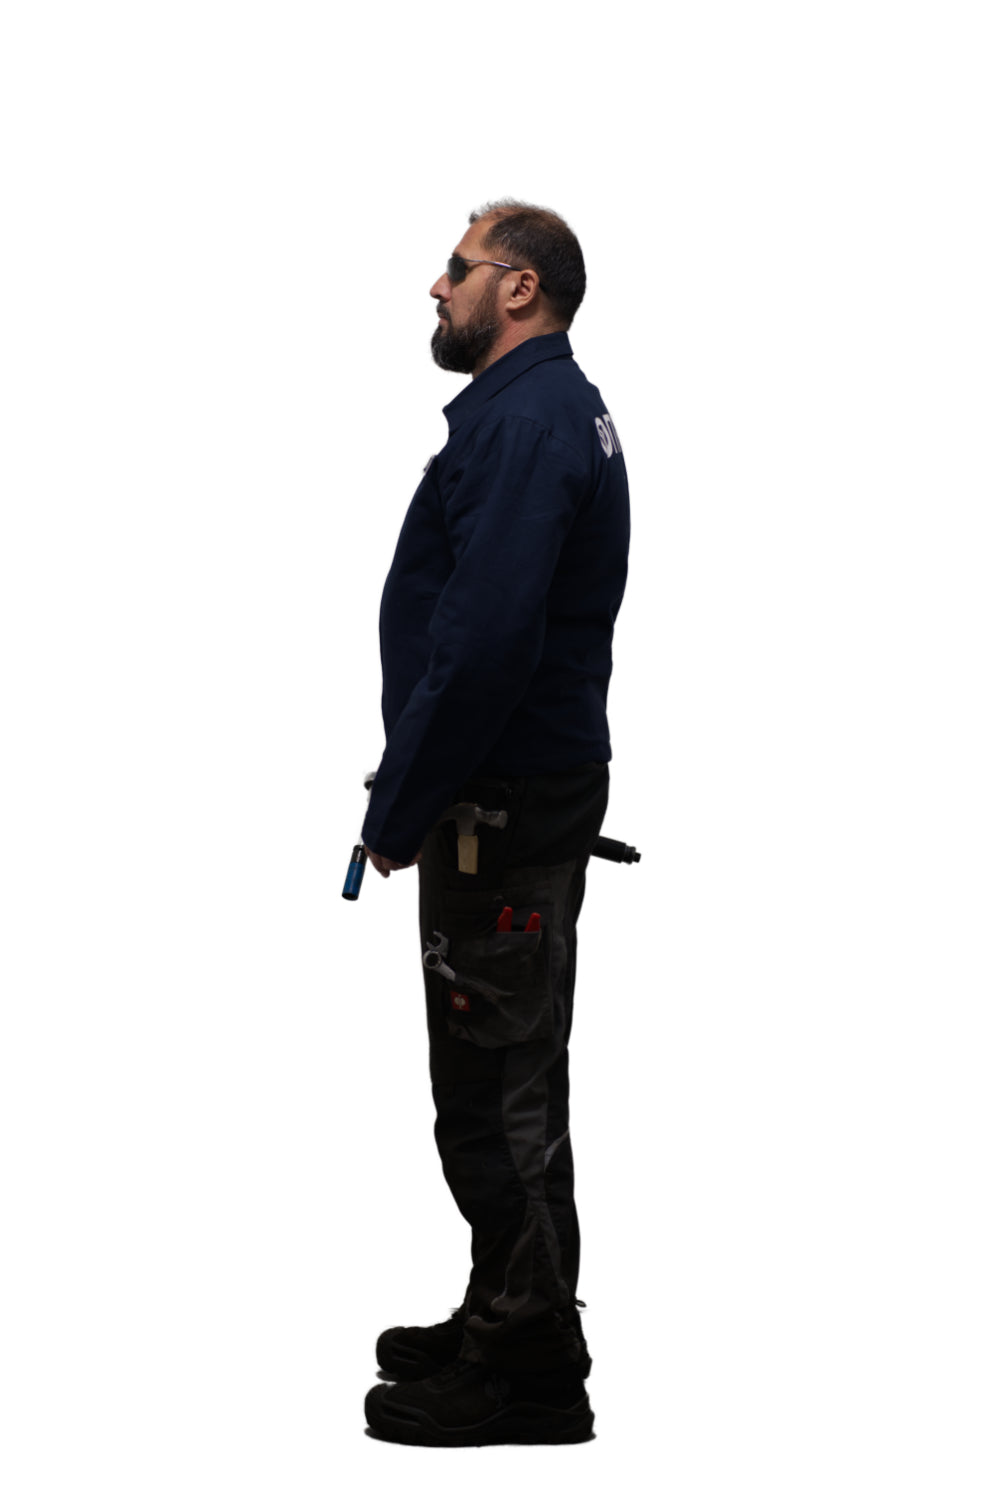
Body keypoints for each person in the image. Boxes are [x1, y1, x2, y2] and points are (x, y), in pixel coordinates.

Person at [360, 199, 630, 1446]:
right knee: (501, 1073)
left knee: (498, 1091)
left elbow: (481, 646)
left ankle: (528, 1369)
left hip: (500, 805)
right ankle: (502, 1307)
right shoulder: (540, 412)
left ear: (518, 288)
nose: (437, 287)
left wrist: (401, 802)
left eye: (457, 268)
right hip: (513, 795)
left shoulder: (526, 424)